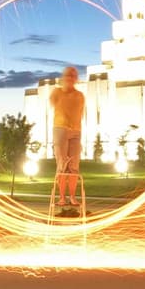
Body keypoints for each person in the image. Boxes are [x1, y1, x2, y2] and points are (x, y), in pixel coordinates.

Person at [50, 66, 85, 210]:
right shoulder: (57, 92)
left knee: (74, 166)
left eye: (73, 76)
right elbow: (54, 104)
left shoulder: (80, 95)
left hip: (76, 131)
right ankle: (62, 197)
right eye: (68, 75)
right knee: (62, 164)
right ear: (64, 77)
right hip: (61, 129)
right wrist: (64, 89)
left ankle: (72, 197)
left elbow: (80, 113)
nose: (71, 78)